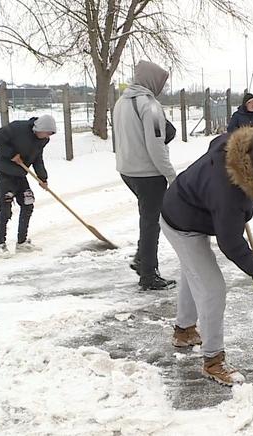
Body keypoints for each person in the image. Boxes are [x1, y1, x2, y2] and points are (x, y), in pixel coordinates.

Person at [159, 125, 253, 385]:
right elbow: (230, 243)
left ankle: (184, 331)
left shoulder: (236, 146)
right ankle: (213, 360)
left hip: (188, 207)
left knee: (194, 272)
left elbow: (215, 144)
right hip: (182, 224)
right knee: (212, 288)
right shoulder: (228, 193)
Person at [114, 60, 177, 291]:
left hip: (127, 170)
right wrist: (171, 175)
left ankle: (142, 259)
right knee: (151, 223)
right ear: (152, 80)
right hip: (148, 174)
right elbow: (155, 144)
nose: (161, 87)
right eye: (161, 82)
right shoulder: (150, 105)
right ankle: (149, 275)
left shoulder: (121, 101)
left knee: (148, 218)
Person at [0, 114, 56, 259]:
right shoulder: (17, 128)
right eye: (47, 133)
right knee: (5, 207)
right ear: (39, 128)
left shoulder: (43, 140)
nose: (48, 136)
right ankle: (1, 244)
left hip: (20, 173)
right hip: (5, 172)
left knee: (28, 203)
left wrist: (42, 178)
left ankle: (21, 242)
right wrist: (11, 154)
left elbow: (37, 159)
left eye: (50, 134)